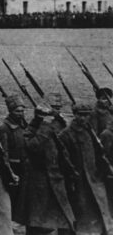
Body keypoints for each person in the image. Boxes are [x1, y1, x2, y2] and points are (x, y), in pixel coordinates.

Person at [18, 101, 76, 235]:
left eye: (58, 108)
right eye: (53, 109)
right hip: (40, 184)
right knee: (39, 225)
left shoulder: (59, 125)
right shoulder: (32, 129)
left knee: (66, 222)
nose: (56, 111)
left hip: (58, 179)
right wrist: (45, 125)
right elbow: (34, 147)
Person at [58, 102, 113, 234]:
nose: (83, 118)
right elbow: (63, 161)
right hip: (79, 183)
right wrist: (72, 178)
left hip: (95, 179)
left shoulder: (89, 131)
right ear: (74, 115)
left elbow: (99, 154)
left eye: (86, 115)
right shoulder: (65, 135)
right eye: (80, 115)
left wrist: (107, 170)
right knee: (83, 214)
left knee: (101, 212)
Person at [0, 94, 28, 224]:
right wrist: (10, 173)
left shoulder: (23, 126)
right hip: (12, 170)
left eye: (22, 111)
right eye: (17, 111)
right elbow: (3, 154)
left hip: (23, 168)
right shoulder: (4, 128)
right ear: (10, 111)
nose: (20, 114)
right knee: (10, 200)